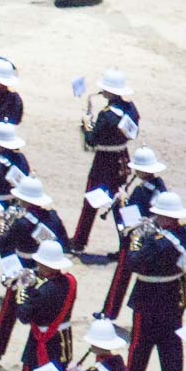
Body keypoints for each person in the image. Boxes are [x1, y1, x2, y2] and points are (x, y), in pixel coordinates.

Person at [0, 176, 67, 361]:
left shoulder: (23, 223)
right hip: (49, 269)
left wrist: (1, 224)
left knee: (9, 311)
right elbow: (63, 241)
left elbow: (0, 242)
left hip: (25, 269)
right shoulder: (53, 217)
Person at [120, 191, 186, 371]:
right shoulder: (185, 232)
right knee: (171, 346)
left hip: (150, 297)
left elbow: (132, 262)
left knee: (139, 344)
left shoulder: (155, 242)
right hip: (174, 295)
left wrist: (136, 238)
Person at [3, 240, 77, 371]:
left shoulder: (44, 292)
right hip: (62, 342)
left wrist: (21, 292)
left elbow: (25, 316)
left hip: (42, 345)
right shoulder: (69, 282)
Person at [96, 147, 171, 318]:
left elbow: (131, 218)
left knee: (121, 275)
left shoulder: (140, 191)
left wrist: (122, 201)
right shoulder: (159, 185)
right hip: (154, 235)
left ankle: (109, 312)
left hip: (138, 237)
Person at [71, 69, 139, 252]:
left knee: (91, 201)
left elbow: (92, 141)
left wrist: (86, 125)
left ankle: (79, 241)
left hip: (104, 161)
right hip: (122, 158)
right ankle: (128, 243)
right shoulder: (131, 108)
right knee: (121, 202)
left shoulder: (107, 114)